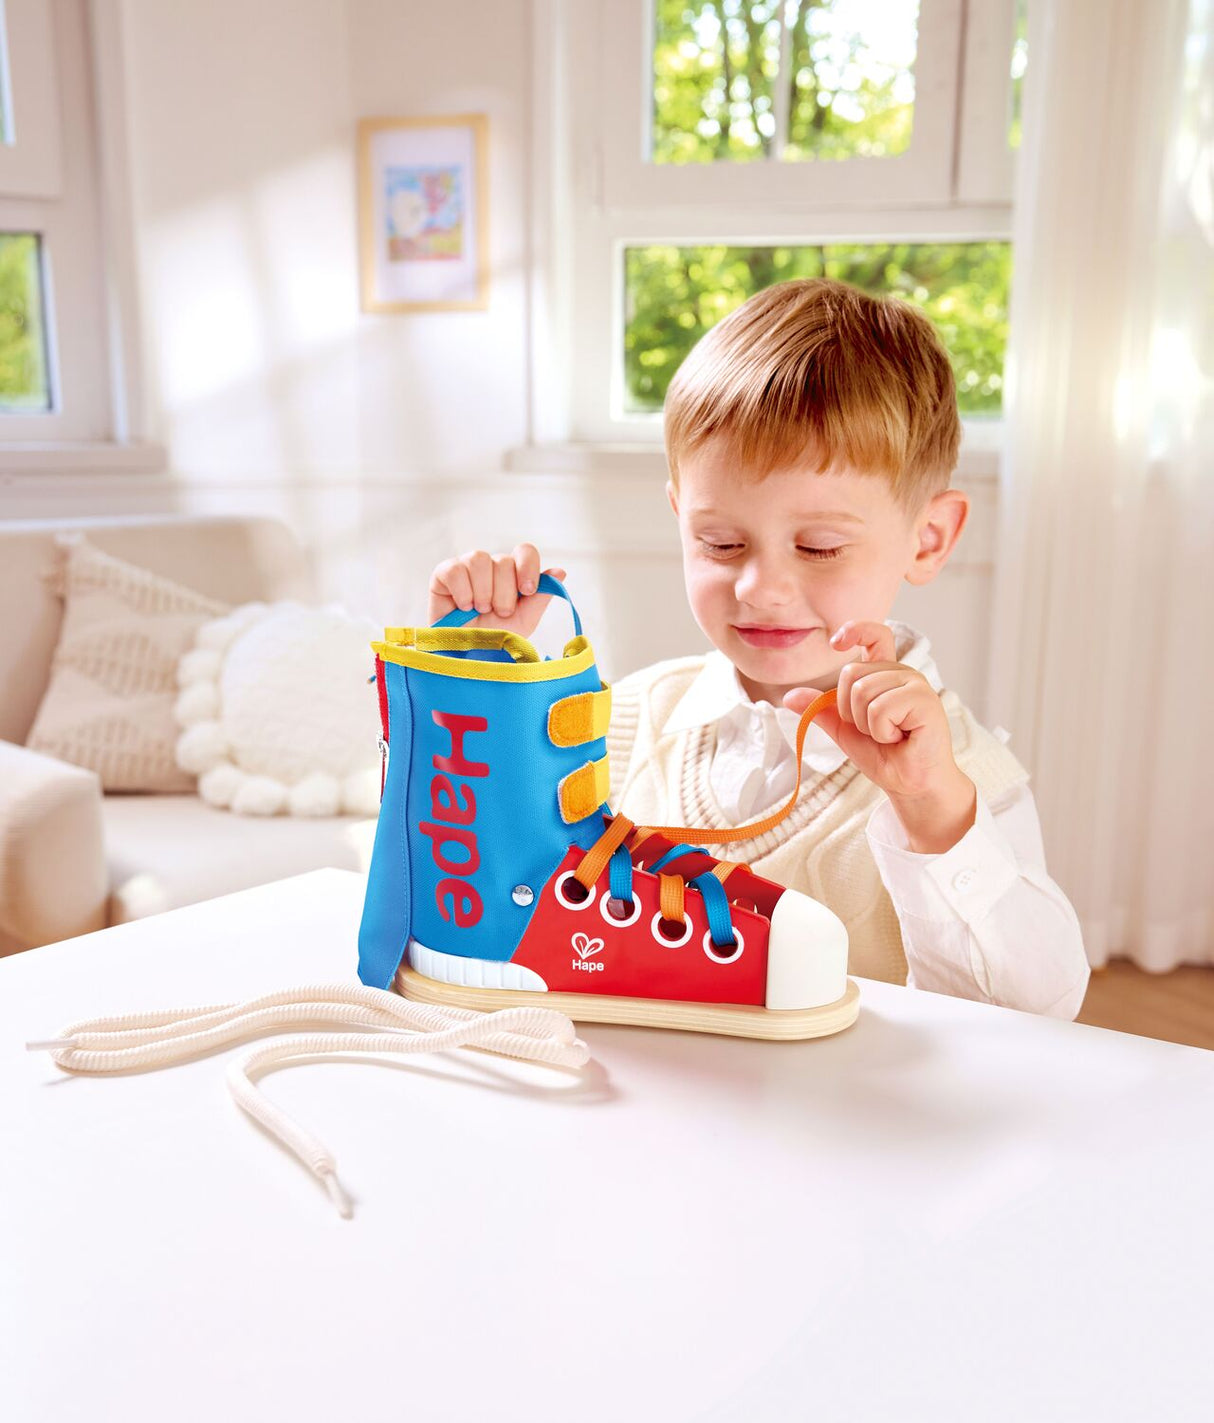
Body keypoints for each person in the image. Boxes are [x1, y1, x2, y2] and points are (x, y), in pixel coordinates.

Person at [427, 278, 1091, 1020]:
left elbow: (1040, 1013)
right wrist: (469, 687)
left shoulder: (959, 776)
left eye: (819, 546)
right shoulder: (618, 721)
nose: (762, 587)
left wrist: (933, 810)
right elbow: (478, 905)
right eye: (721, 541)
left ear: (927, 538)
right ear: (681, 515)